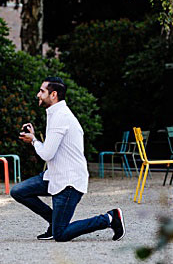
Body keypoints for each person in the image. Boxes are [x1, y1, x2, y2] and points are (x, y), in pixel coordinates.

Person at [10, 77, 124, 242]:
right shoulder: (55, 113)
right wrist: (34, 138)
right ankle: (54, 221)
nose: (38, 95)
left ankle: (109, 218)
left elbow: (47, 154)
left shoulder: (60, 117)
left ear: (53, 94)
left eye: (42, 91)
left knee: (61, 235)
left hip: (68, 182)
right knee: (18, 191)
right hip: (54, 176)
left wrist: (34, 141)